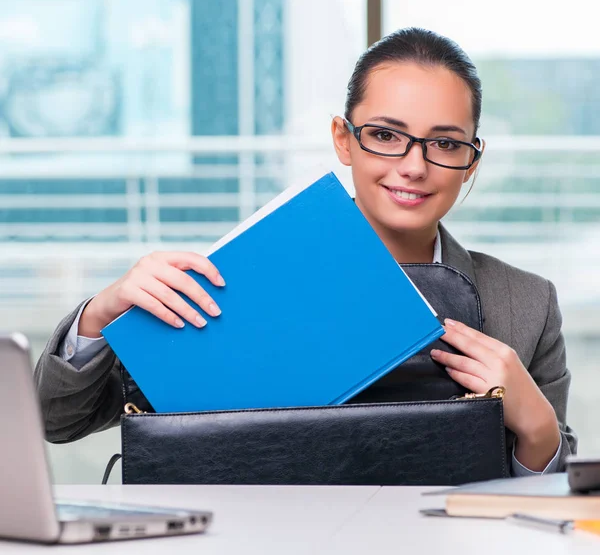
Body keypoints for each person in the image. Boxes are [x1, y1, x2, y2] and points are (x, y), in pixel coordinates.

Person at [35, 27, 576, 475]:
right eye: (386, 135)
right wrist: (102, 313)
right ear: (343, 138)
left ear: (472, 159)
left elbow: (547, 512)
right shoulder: (237, 278)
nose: (414, 165)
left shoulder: (524, 303)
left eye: (446, 143)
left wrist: (540, 429)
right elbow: (55, 421)